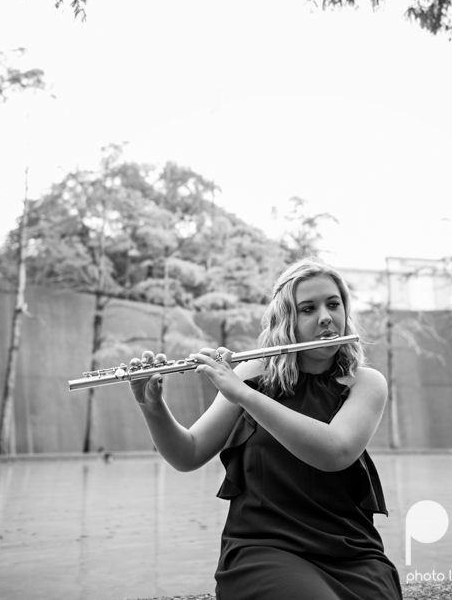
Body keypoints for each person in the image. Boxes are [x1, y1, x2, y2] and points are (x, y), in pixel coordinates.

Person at [130, 257, 403, 600]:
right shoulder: (250, 374)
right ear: (287, 319)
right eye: (308, 308)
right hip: (264, 549)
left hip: (352, 551)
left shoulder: (366, 382)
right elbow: (188, 454)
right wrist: (152, 407)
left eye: (333, 304)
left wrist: (243, 394)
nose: (325, 317)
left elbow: (336, 451)